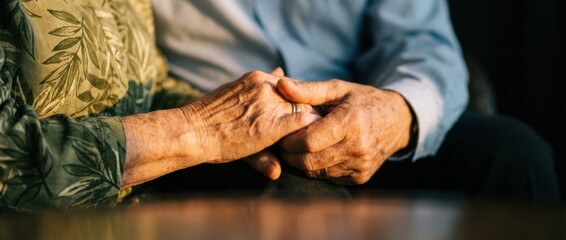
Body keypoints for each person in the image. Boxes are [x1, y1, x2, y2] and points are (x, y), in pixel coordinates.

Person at [151, 0, 561, 203]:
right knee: (301, 201)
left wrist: (396, 114)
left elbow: (422, 40)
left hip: (369, 122)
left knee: (516, 156)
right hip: (226, 138)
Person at [0, 0, 319, 212]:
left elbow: (150, 82)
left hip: (148, 202)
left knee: (300, 192)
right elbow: (9, 156)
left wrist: (245, 116)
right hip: (52, 221)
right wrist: (203, 127)